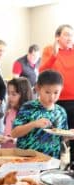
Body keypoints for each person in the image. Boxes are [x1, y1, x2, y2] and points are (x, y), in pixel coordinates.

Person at [11, 70, 68, 159]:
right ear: (38, 88)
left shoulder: (61, 112)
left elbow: (62, 138)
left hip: (52, 161)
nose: (52, 97)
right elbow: (14, 133)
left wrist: (69, 135)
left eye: (56, 92)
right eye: (47, 92)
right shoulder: (28, 107)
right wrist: (34, 124)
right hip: (27, 160)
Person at [39, 24, 74, 165]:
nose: (69, 37)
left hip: (73, 100)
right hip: (56, 101)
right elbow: (42, 71)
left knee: (72, 135)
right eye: (66, 34)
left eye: (71, 35)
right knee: (57, 136)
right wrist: (54, 55)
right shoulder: (49, 50)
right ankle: (56, 166)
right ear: (58, 37)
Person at [0, 77, 33, 148]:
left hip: (18, 155)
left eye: (13, 94)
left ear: (24, 95)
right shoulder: (10, 111)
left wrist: (12, 140)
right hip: (5, 153)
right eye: (8, 93)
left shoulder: (30, 115)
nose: (9, 97)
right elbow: (7, 133)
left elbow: (29, 140)